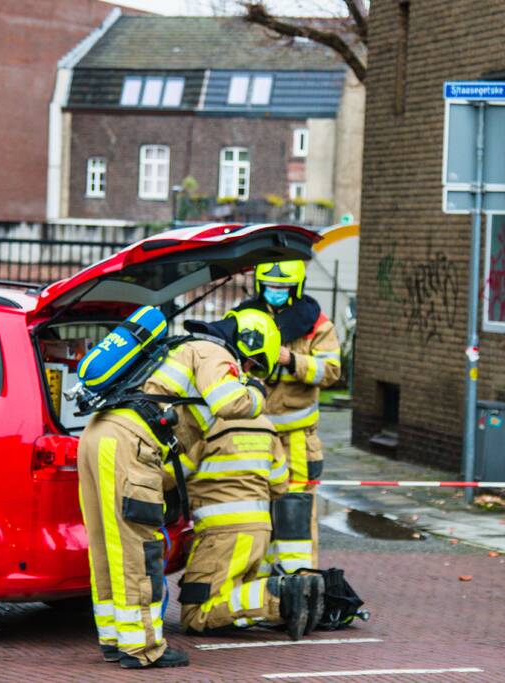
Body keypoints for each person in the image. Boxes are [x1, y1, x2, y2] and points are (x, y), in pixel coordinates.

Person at [75, 304, 274, 669]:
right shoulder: (214, 351)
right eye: (253, 366)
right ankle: (144, 648)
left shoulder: (180, 352)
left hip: (98, 437)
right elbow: (231, 402)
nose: (246, 373)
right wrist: (259, 393)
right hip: (128, 442)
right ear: (249, 347)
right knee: (139, 549)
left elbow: (179, 454)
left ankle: (115, 639)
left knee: (108, 547)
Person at [163, 310, 324, 640]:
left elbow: (173, 476)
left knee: (195, 615)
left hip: (221, 534)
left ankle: (280, 597)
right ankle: (282, 592)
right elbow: (280, 482)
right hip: (260, 534)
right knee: (228, 598)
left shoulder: (207, 420)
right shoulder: (266, 425)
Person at [238, 260, 342, 574]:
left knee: (295, 510)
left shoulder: (316, 323)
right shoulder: (246, 317)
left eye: (282, 288)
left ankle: (300, 580)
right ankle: (263, 581)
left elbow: (331, 371)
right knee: (256, 507)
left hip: (298, 438)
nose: (276, 293)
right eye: (270, 287)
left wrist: (291, 359)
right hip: (254, 435)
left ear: (295, 288)